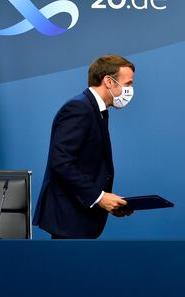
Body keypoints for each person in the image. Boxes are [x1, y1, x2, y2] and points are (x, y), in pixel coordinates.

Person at [33, 54, 135, 239]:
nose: (130, 90)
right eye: (127, 84)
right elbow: (60, 161)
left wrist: (107, 201)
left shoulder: (98, 110)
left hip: (81, 218)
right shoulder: (79, 108)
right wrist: (99, 197)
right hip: (68, 219)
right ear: (108, 82)